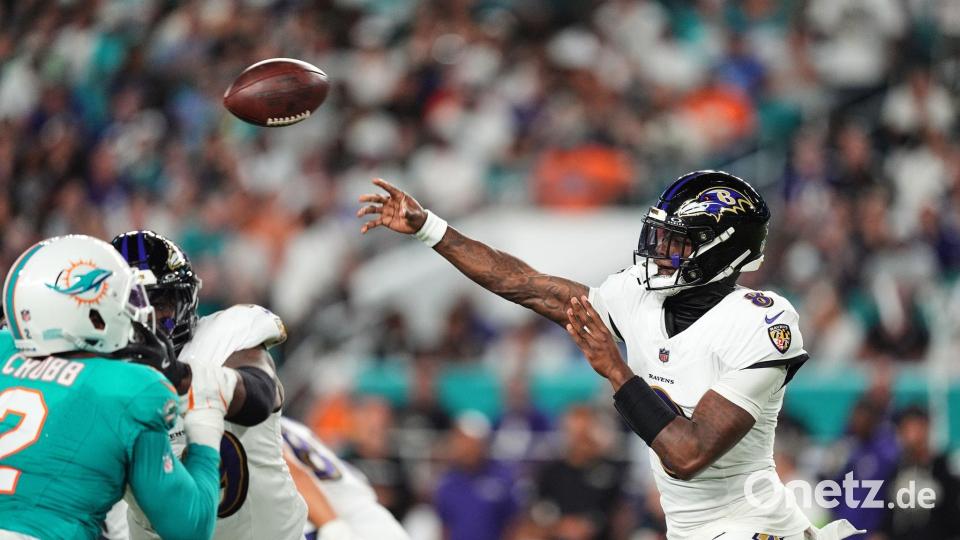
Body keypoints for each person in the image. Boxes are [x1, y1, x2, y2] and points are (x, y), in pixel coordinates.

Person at [356, 172, 864, 540]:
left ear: (720, 252)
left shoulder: (760, 319)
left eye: (679, 244)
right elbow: (528, 285)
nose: (660, 252)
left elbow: (687, 454)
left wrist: (616, 370)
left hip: (751, 522)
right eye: (661, 237)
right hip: (690, 528)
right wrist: (431, 229)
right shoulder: (640, 299)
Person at [0, 234, 226, 540]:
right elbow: (190, 527)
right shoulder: (133, 388)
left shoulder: (4, 349)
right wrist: (205, 425)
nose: (138, 313)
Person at [106, 230, 307, 540]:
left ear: (184, 299)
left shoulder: (225, 336)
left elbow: (261, 393)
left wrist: (184, 377)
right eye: (130, 308)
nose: (147, 320)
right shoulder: (97, 381)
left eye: (158, 302)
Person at [280, 416, 411, 540]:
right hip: (371, 515)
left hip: (344, 521)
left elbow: (294, 473)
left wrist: (333, 528)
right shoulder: (293, 426)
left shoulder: (266, 427)